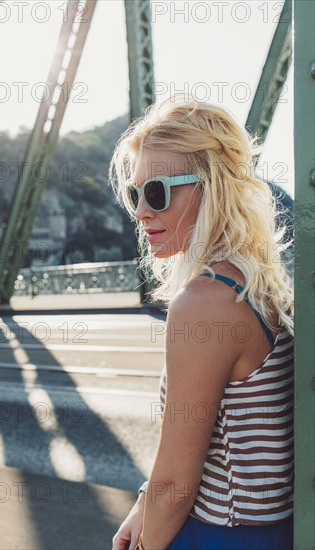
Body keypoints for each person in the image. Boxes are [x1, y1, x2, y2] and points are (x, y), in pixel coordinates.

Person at [109, 98, 294, 550]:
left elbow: (175, 486)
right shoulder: (259, 282)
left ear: (212, 188)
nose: (141, 212)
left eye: (157, 192)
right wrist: (142, 504)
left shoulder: (204, 304)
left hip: (223, 533)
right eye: (136, 194)